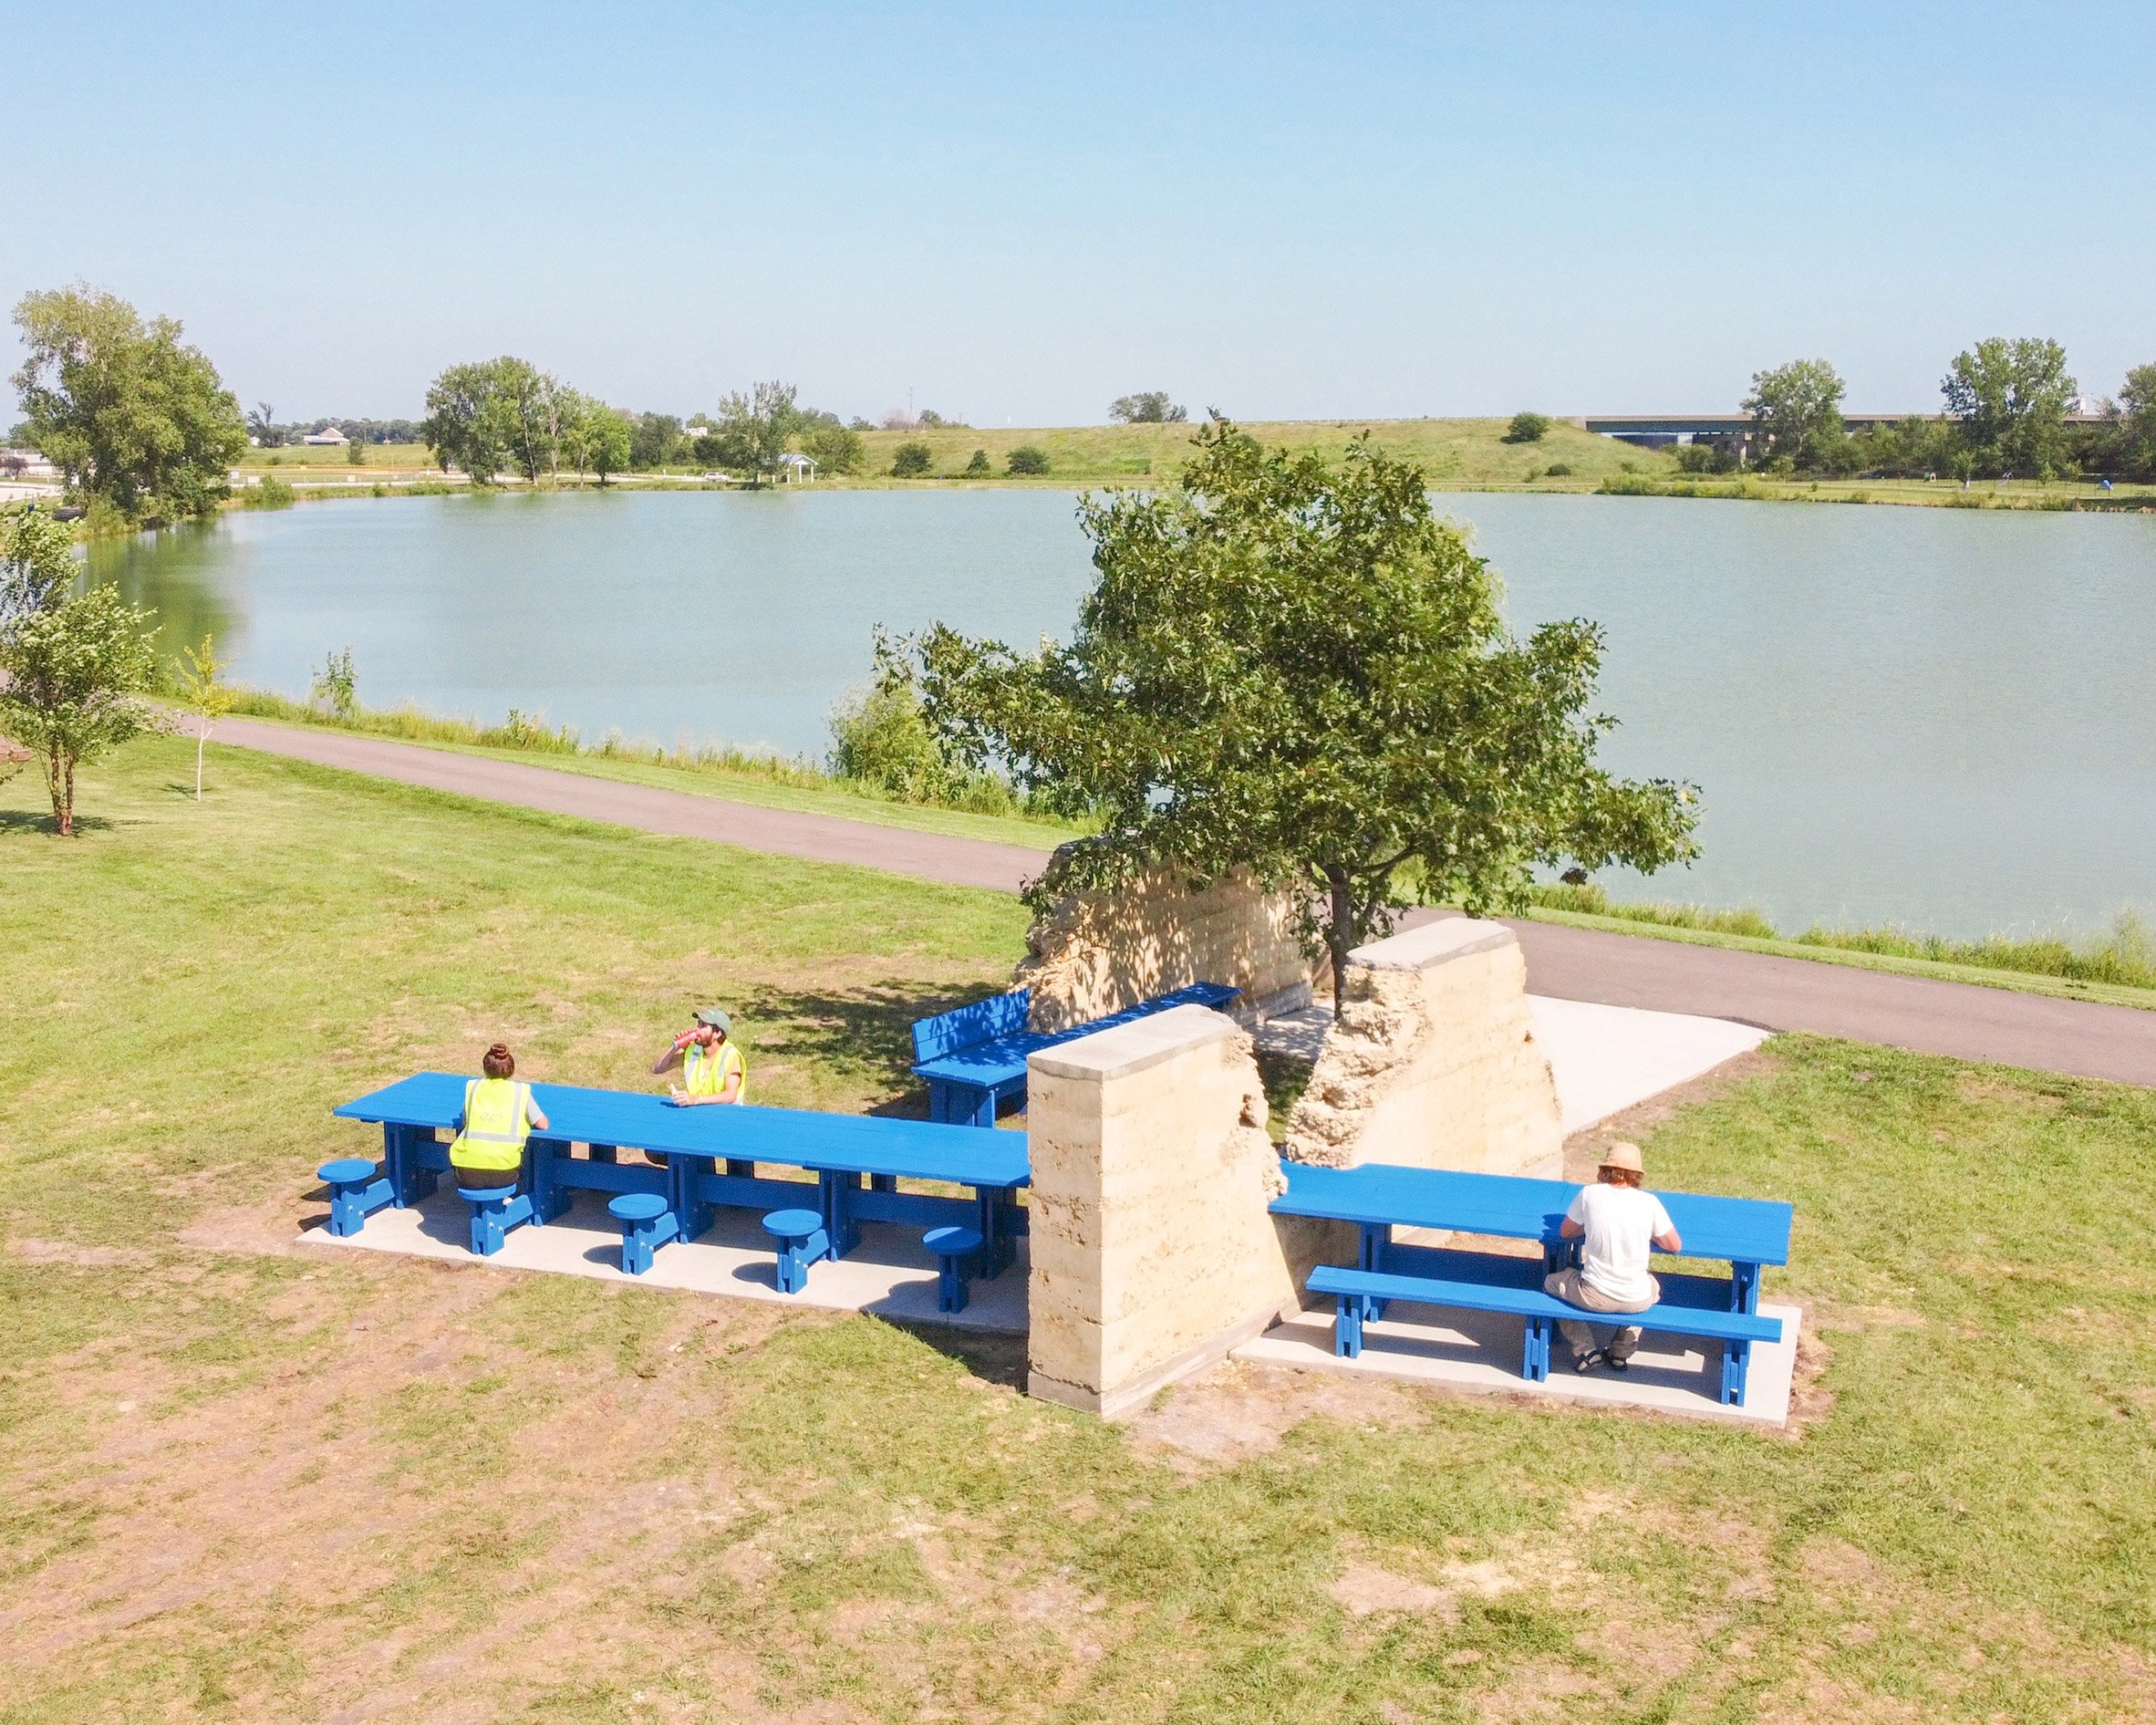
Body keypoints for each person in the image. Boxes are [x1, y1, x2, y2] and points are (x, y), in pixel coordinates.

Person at [1544, 1141, 1681, 1374]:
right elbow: (1674, 1245)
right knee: (1652, 1288)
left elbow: (1566, 1232)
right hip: (1635, 1298)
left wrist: (1588, 1225)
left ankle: (1586, 1350)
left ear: (1605, 1169)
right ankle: (1620, 1352)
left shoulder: (1589, 1194)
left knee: (1551, 1283)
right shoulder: (1649, 1203)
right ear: (1637, 1174)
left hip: (1594, 1294)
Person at [449, 1043, 548, 1190]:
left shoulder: (473, 1088)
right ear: (511, 1070)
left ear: (485, 1068)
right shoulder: (520, 1092)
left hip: (466, 1173)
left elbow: (465, 1119)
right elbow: (543, 1125)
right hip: (504, 1172)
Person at [653, 1007, 746, 1107]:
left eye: (703, 1025)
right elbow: (657, 1069)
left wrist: (697, 1099)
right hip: (699, 1112)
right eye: (698, 1023)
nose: (697, 1029)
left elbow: (730, 1095)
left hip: (727, 1115)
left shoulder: (730, 1055)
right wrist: (676, 1046)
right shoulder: (693, 1050)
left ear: (717, 1033)